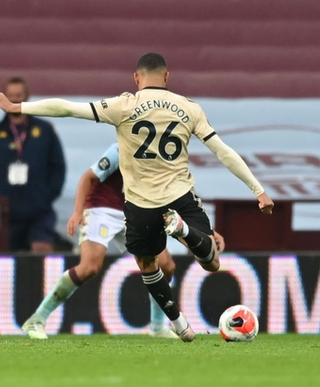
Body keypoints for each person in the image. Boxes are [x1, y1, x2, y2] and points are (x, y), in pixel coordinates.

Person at [0, 53, 274, 342]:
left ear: (136, 78)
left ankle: (163, 324)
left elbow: (68, 109)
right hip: (126, 205)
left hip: (138, 207)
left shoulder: (124, 107)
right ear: (167, 77)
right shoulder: (185, 110)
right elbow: (221, 152)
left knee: (158, 265)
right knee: (98, 266)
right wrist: (257, 190)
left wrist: (17, 107)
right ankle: (38, 319)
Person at [22, 142, 226, 339]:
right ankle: (37, 319)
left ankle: (157, 327)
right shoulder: (121, 149)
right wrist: (77, 212)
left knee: (166, 266)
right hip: (102, 209)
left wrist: (206, 230)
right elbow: (88, 177)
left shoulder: (163, 157)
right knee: (89, 267)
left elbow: (181, 196)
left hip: (135, 213)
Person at [0, 77, 66, 252]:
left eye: (19, 95)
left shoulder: (45, 130)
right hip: (5, 212)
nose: (15, 99)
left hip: (39, 211)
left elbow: (58, 167)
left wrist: (46, 197)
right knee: (4, 267)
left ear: (27, 96)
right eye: (11, 96)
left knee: (42, 257)